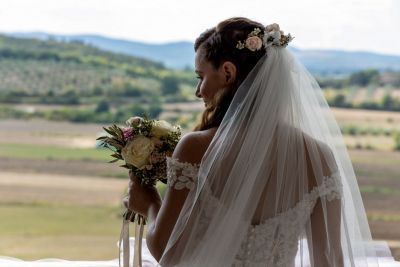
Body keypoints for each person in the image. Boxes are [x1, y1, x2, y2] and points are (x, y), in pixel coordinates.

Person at [125, 17, 399, 267]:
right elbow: (328, 261)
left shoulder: (196, 148)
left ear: (228, 73)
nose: (199, 91)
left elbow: (167, 252)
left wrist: (149, 203)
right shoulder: (319, 157)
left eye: (201, 77)